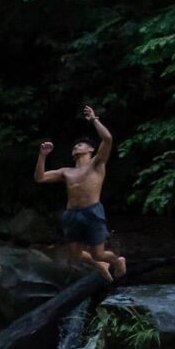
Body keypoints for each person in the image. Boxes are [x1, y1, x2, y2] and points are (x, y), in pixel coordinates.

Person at [34, 105, 127, 281]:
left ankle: (117, 261)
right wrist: (42, 156)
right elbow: (40, 178)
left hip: (92, 210)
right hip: (72, 214)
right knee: (75, 255)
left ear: (90, 150)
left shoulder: (97, 164)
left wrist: (94, 119)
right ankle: (99, 265)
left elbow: (107, 139)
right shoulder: (66, 171)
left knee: (98, 253)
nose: (76, 147)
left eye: (80, 144)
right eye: (74, 146)